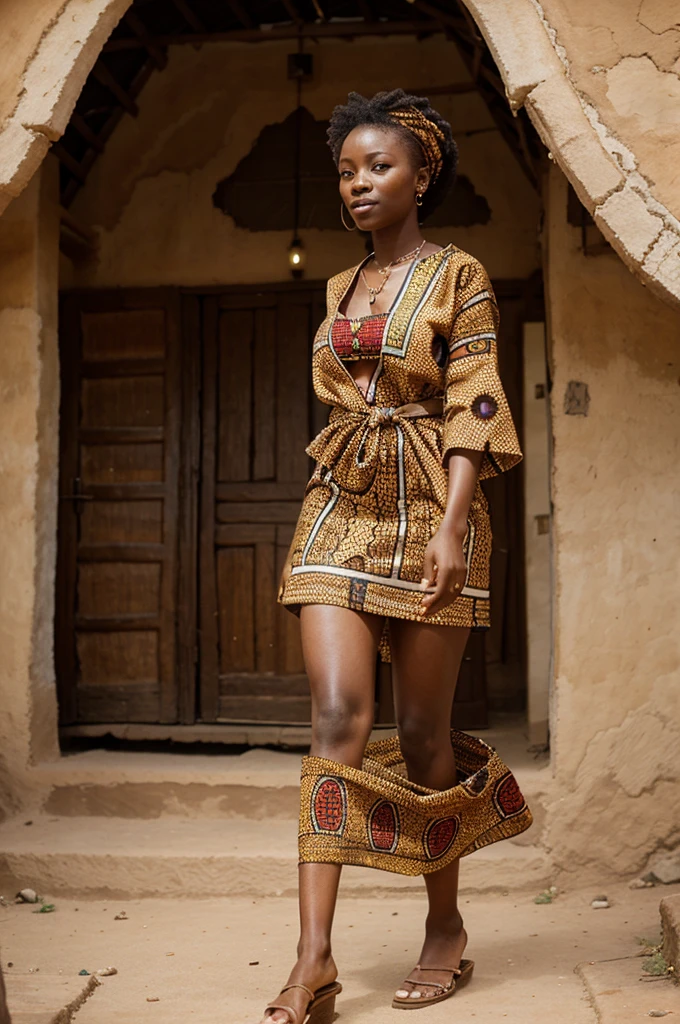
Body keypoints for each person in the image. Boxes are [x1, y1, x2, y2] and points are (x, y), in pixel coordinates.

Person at [262, 89, 526, 1023]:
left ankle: (445, 928)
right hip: (340, 500)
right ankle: (313, 963)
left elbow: (479, 402)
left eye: (379, 167)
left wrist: (456, 525)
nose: (360, 183)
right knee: (336, 716)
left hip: (431, 510)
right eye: (346, 170)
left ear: (423, 175)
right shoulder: (339, 287)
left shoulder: (461, 274)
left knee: (421, 742)